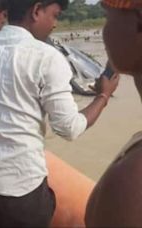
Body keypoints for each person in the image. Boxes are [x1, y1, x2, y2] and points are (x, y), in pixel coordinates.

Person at [0, 0, 119, 227]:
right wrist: (103, 96)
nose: (55, 24)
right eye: (54, 15)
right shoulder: (47, 57)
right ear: (36, 11)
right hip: (20, 184)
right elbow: (69, 128)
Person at [85, 1, 142, 227]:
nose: (104, 31)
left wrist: (103, 96)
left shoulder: (132, 183)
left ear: (138, 20)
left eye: (107, 17)